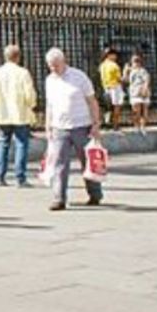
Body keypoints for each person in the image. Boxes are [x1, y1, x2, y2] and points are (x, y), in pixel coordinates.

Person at [44, 47, 104, 211]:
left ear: (64, 61)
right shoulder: (50, 80)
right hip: (59, 127)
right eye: (50, 65)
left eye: (56, 65)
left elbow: (92, 101)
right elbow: (50, 105)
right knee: (59, 164)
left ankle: (95, 194)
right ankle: (59, 198)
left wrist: (96, 123)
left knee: (87, 162)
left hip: (81, 126)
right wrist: (47, 125)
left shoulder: (79, 77)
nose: (53, 68)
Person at [0, 44, 38, 187]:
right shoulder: (23, 73)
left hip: (2, 113)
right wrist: (31, 105)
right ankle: (20, 177)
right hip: (20, 113)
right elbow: (29, 94)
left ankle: (0, 176)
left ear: (5, 56)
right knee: (21, 145)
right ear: (18, 57)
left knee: (3, 143)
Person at [123, 53, 151, 135]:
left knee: (144, 110)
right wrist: (125, 71)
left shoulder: (143, 70)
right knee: (136, 110)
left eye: (138, 60)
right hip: (134, 92)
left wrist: (145, 89)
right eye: (134, 61)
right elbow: (125, 81)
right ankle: (137, 126)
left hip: (143, 92)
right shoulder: (130, 71)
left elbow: (147, 79)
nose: (136, 63)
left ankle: (143, 126)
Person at [99, 48, 124, 130]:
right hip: (115, 87)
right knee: (117, 106)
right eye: (114, 54)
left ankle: (107, 124)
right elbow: (119, 79)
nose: (116, 56)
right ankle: (115, 124)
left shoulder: (102, 65)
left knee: (108, 107)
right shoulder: (114, 65)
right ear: (110, 55)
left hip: (106, 88)